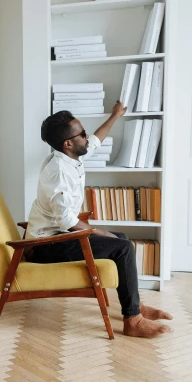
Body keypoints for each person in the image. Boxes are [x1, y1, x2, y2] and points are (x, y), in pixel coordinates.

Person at [25, 101, 173, 338]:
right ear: (68, 143)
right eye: (82, 133)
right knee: (122, 246)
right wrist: (99, 232)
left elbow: (95, 141)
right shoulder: (58, 171)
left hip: (60, 236)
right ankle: (132, 321)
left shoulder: (72, 156)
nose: (87, 136)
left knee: (122, 238)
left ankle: (136, 307)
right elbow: (65, 220)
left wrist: (116, 115)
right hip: (46, 246)